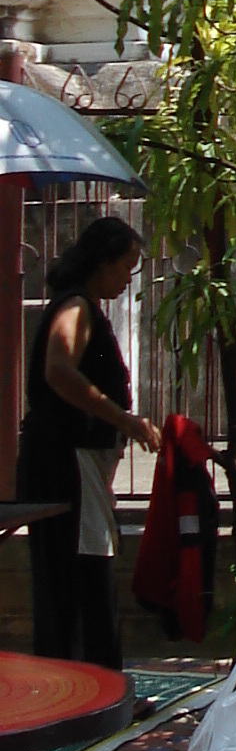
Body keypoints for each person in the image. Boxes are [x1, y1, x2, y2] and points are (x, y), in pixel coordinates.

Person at [18, 216, 144, 668]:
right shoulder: (75, 308)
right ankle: (82, 682)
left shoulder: (83, 307)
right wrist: (122, 420)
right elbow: (58, 368)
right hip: (66, 463)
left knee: (85, 571)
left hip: (81, 465)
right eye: (125, 266)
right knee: (77, 575)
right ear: (102, 262)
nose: (127, 278)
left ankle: (92, 679)